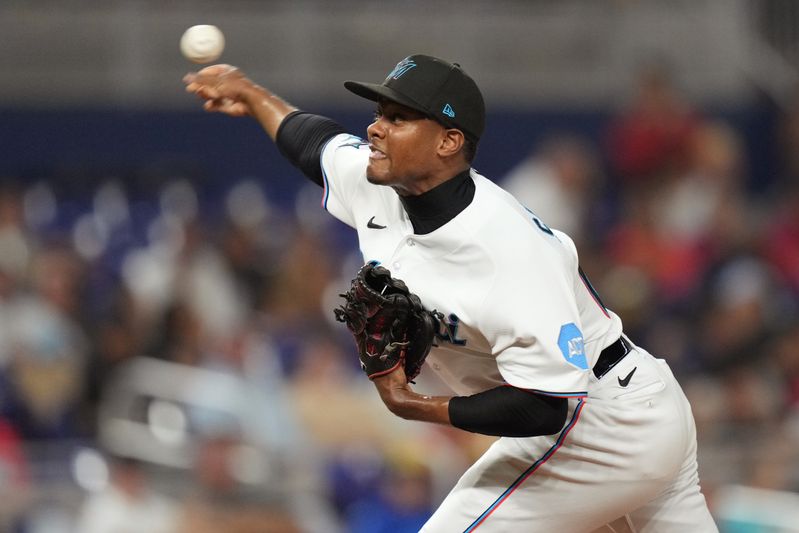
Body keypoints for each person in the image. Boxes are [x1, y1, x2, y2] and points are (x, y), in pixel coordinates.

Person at [184, 54, 718, 532]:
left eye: (396, 118)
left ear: (448, 141)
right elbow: (314, 143)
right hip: (631, 407)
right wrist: (251, 94)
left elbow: (549, 407)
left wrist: (415, 405)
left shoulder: (506, 250)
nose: (375, 129)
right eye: (378, 114)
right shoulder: (379, 182)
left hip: (603, 423)